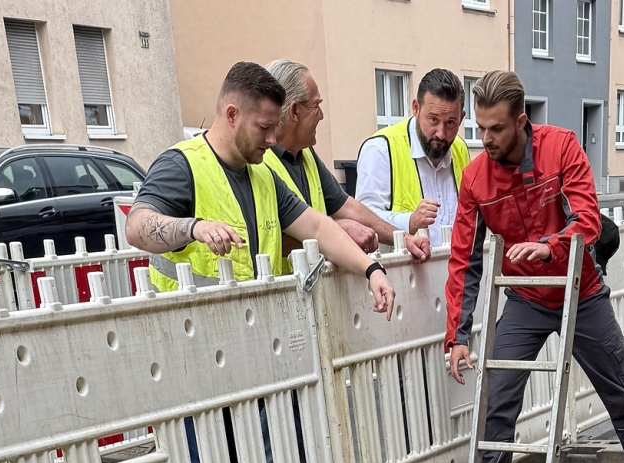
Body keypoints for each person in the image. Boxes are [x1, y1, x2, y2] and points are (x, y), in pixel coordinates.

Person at [445, 71, 624, 463]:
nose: (485, 139)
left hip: (579, 291)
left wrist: (552, 245)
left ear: (521, 121)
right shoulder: (475, 180)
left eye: (496, 129)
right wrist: (457, 336)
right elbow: (465, 261)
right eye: (480, 128)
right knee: (497, 394)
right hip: (528, 299)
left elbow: (587, 218)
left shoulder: (561, 147)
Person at [125, 61, 397, 304]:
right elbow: (136, 227)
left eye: (275, 127)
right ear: (232, 115)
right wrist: (194, 227)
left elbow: (316, 226)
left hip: (255, 332)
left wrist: (371, 270)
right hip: (193, 336)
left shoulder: (263, 176)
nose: (271, 139)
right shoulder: (181, 165)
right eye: (264, 128)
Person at [265, 60, 432, 263]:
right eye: (316, 106)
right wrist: (336, 231)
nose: (322, 115)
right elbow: (266, 237)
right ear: (294, 111)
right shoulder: (259, 162)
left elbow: (348, 207)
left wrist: (403, 239)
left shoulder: (306, 154)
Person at [355, 68, 470, 242]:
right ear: (416, 108)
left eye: (451, 123)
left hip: (454, 266)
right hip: (400, 268)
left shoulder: (460, 149)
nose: (441, 133)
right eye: (433, 120)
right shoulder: (381, 149)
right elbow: (362, 220)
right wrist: (409, 221)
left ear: (461, 118)